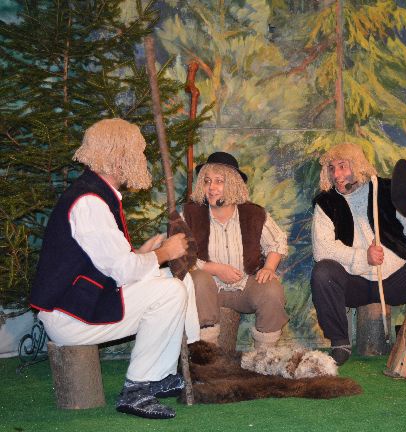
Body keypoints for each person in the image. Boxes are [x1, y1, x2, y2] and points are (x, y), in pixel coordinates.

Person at [30, 118, 190, 419]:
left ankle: (159, 376)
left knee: (176, 281)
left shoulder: (94, 193)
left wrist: (143, 254)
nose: (141, 159)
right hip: (70, 316)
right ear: (118, 159)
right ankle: (137, 389)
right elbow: (123, 271)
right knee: (169, 291)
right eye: (136, 153)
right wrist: (164, 253)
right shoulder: (90, 202)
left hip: (83, 300)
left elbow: (105, 262)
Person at [310, 143, 406, 365]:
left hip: (395, 278)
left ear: (357, 166)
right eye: (331, 168)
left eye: (342, 166)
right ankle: (340, 343)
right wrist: (362, 257)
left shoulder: (385, 190)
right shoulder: (326, 203)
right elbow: (322, 249)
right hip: (354, 282)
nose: (336, 175)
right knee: (323, 272)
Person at [183, 151, 289, 351]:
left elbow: (277, 241)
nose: (211, 187)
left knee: (272, 290)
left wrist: (269, 267)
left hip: (245, 285)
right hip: (208, 290)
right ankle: (207, 352)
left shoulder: (253, 213)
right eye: (207, 181)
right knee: (199, 279)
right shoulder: (190, 213)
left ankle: (264, 354)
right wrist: (214, 268)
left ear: (233, 184)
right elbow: (180, 254)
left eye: (219, 181)